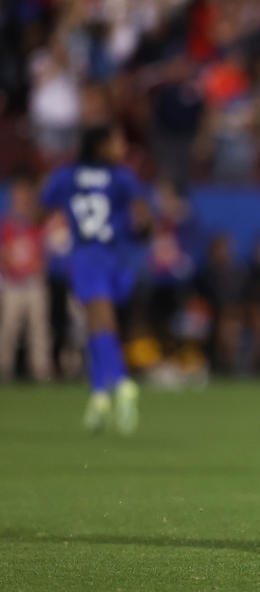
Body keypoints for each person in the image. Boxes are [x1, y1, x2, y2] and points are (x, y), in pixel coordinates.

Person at [41, 124, 150, 434]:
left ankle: (121, 382)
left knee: (100, 321)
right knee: (97, 323)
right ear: (101, 146)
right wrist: (140, 231)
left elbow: (42, 205)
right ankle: (100, 396)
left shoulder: (66, 176)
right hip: (118, 258)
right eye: (117, 140)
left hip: (88, 256)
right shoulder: (122, 177)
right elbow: (143, 218)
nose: (122, 146)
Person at [0, 177, 52, 383]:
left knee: (39, 329)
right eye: (18, 196)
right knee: (8, 328)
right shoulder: (7, 225)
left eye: (25, 196)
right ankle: (4, 369)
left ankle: (41, 370)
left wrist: (38, 267)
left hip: (33, 284)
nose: (22, 199)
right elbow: (4, 253)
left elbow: (43, 254)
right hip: (12, 283)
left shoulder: (36, 224)